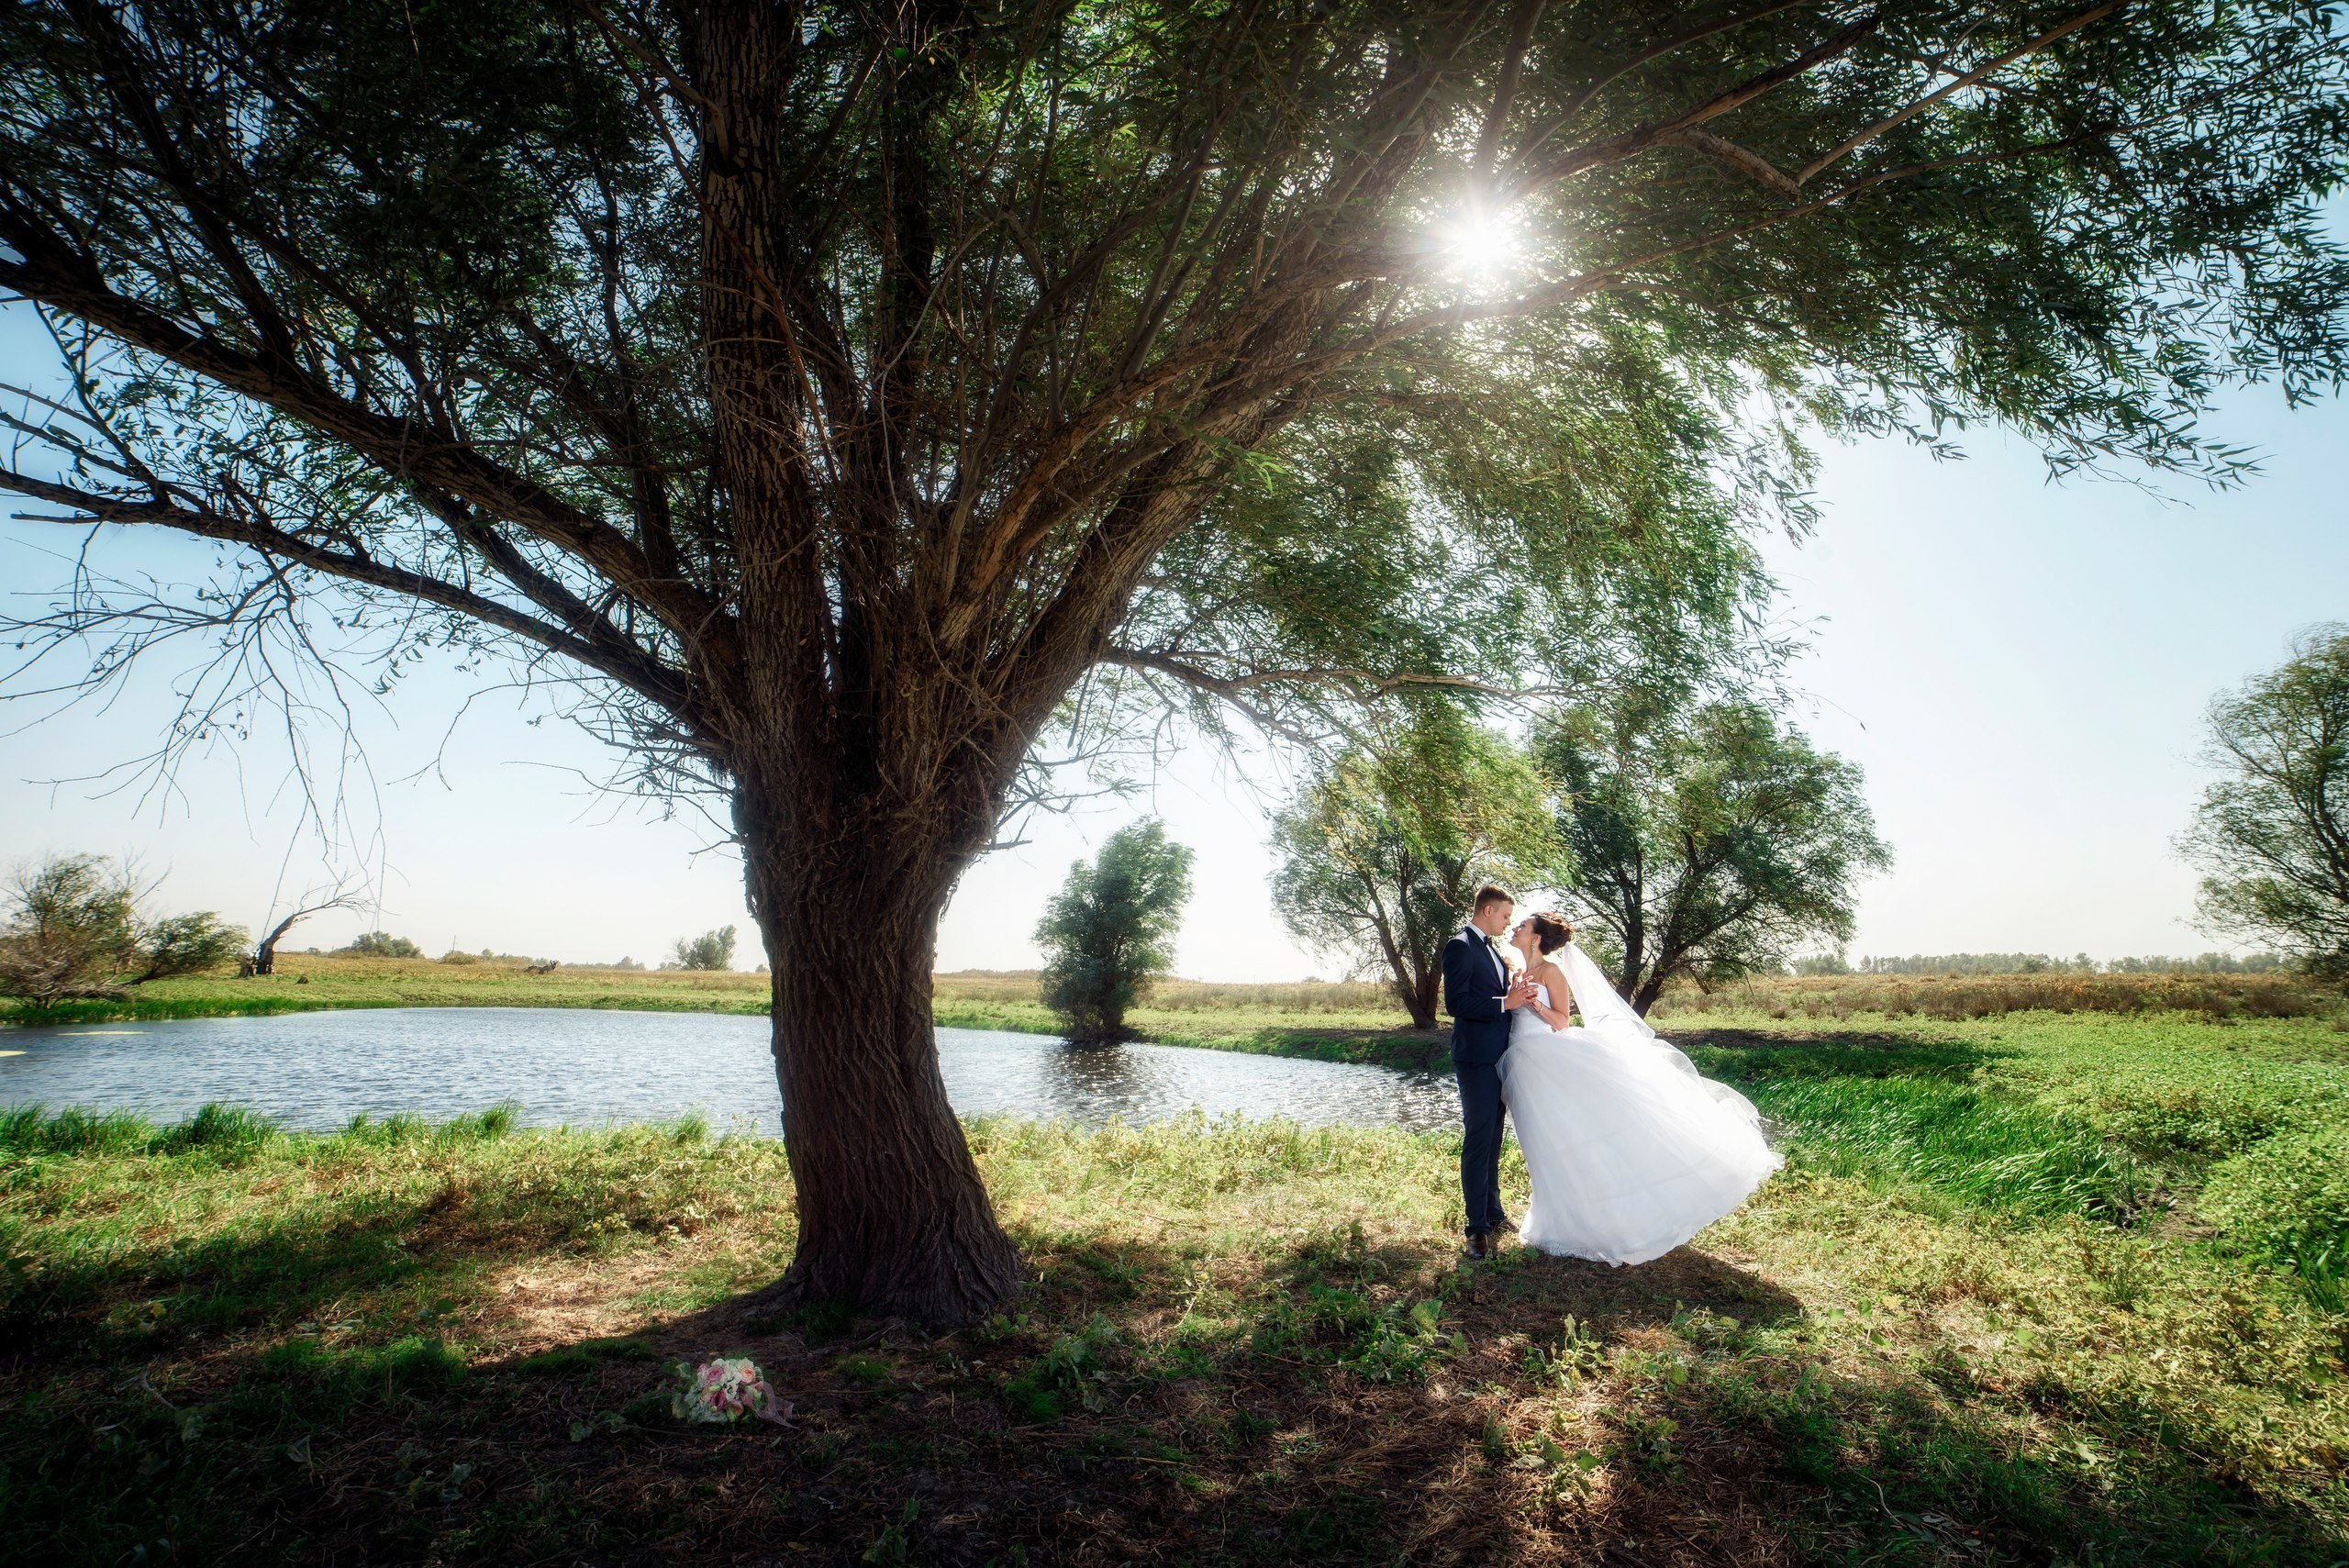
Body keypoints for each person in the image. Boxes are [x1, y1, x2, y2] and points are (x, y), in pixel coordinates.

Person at [1497, 912, 1781, 1265]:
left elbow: (1562, 1022)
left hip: (1549, 1058)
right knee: (1541, 1143)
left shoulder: (1552, 973)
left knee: (1565, 1140)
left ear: (1537, 938)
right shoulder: (1517, 970)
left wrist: (1533, 1003)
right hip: (1524, 1064)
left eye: (1522, 925)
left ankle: (1598, 1222)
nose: (1515, 928)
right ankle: (1553, 1220)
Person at [1441, 883, 1539, 1260]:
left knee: (1494, 1137)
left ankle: (1493, 1213)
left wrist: (1513, 990)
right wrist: (1505, 1001)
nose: (1507, 922)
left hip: (1501, 1058)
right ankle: (1475, 1230)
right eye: (1505, 916)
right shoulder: (1460, 946)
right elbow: (1456, 1002)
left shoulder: (1494, 952)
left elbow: (1496, 994)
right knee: (1479, 1139)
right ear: (1487, 911)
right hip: (1476, 1058)